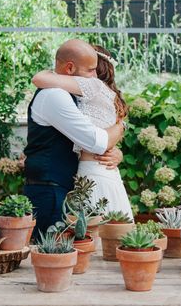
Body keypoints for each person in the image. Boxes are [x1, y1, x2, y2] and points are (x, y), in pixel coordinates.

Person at [23, 39, 124, 237]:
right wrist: (120, 127)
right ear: (70, 68)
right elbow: (97, 142)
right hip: (50, 190)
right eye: (90, 71)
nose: (95, 77)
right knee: (51, 254)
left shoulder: (68, 94)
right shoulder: (54, 96)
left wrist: (116, 152)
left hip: (61, 186)